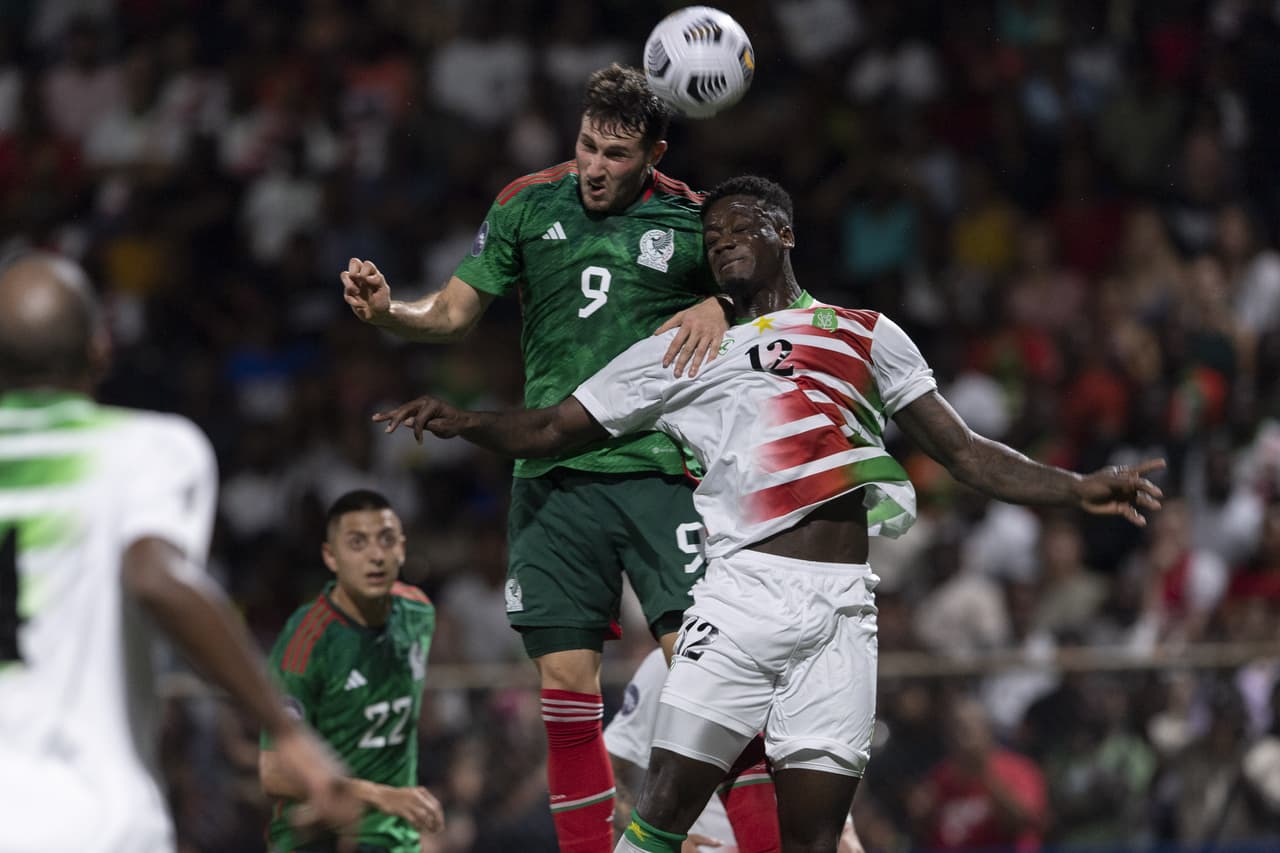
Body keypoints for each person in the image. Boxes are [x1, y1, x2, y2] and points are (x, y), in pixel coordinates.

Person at [372, 175, 1166, 853]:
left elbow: (964, 451)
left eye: (737, 228)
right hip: (740, 596)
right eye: (711, 236)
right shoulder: (687, 348)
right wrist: (466, 421)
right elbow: (553, 427)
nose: (720, 244)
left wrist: (1074, 486)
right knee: (661, 813)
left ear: (784, 232)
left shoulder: (867, 335)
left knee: (812, 838)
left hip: (844, 608)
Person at [342, 64, 734, 853]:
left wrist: (723, 301)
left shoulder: (695, 219)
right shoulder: (527, 202)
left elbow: (774, 300)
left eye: (616, 155)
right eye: (587, 145)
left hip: (660, 472)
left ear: (653, 154)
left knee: (704, 685)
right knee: (564, 686)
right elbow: (451, 313)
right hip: (552, 481)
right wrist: (391, 313)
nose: (594, 166)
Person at [0, 252, 361, 853]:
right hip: (91, 823)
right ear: (100, 347)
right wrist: (285, 730)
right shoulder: (147, 448)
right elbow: (155, 578)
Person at [260, 489, 442, 852]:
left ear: (402, 549)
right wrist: (379, 795)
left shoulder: (419, 613)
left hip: (394, 837)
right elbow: (273, 772)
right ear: (331, 556)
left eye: (387, 541)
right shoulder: (306, 641)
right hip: (313, 838)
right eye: (357, 543)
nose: (376, 556)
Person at [607, 648, 867, 853]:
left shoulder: (810, 663)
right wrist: (660, 837)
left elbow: (818, 762)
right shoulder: (671, 661)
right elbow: (607, 770)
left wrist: (845, 831)